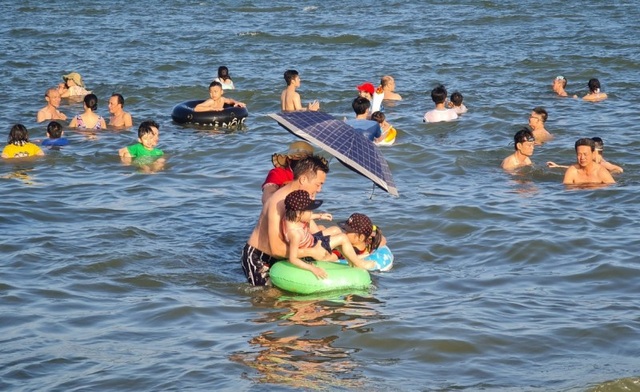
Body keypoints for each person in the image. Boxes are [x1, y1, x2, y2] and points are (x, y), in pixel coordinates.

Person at [242, 155, 330, 286]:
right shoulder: (279, 202)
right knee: (270, 299)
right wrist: (311, 252)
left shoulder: (299, 201)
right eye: (318, 184)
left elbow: (312, 229)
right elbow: (276, 249)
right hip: (260, 257)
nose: (319, 189)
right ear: (303, 179)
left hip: (285, 255)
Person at [281, 190, 375, 279]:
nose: (311, 213)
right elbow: (293, 259)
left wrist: (320, 216)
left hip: (312, 240)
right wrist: (313, 269)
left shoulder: (289, 218)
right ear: (298, 213)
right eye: (309, 211)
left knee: (335, 230)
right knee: (342, 237)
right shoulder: (295, 234)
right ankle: (358, 263)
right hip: (312, 250)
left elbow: (305, 217)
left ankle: (350, 259)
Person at [547, 137, 623, 174]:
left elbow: (619, 169)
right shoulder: (590, 162)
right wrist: (558, 166)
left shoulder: (602, 163)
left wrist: (607, 174)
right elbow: (577, 168)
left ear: (594, 152)